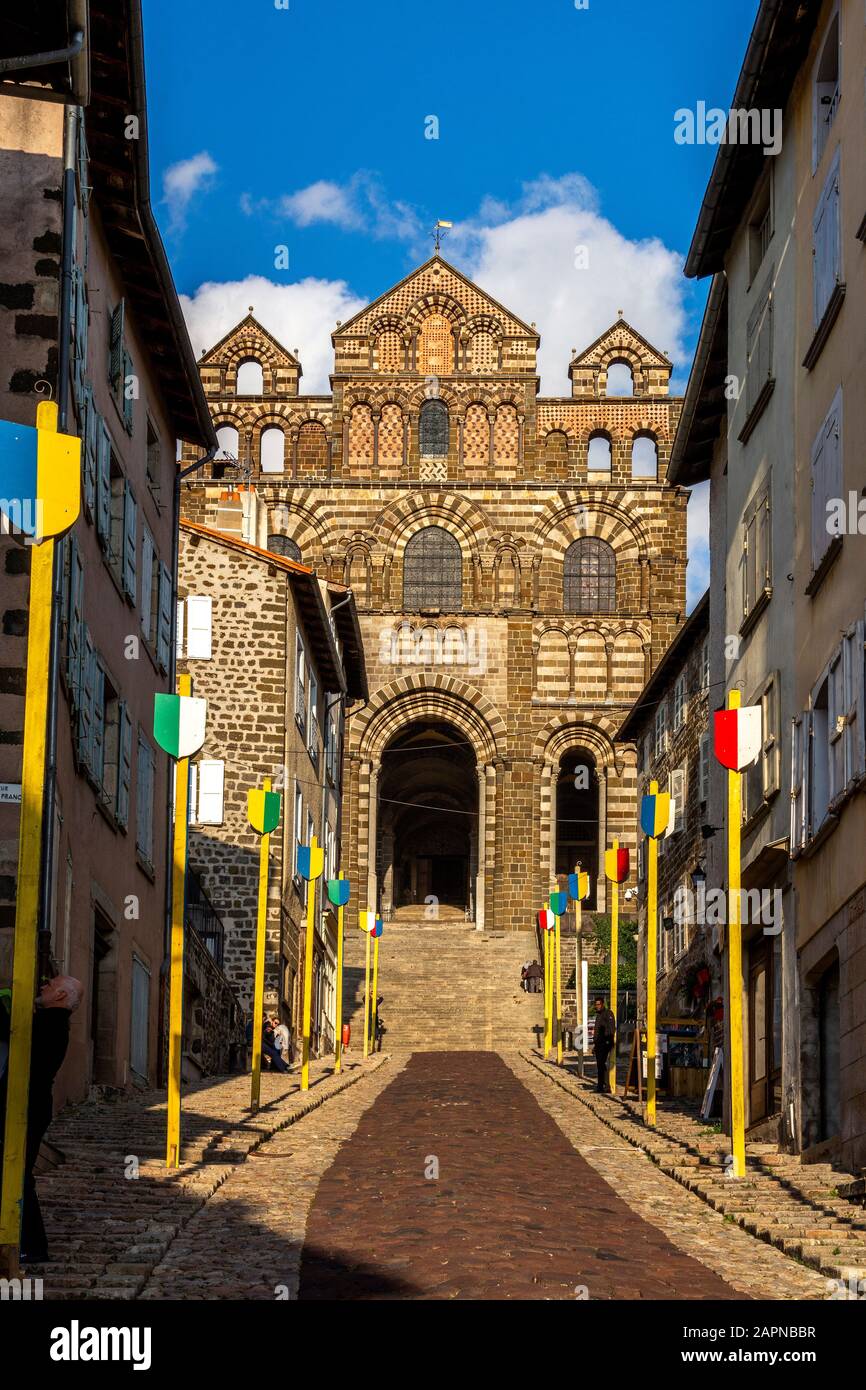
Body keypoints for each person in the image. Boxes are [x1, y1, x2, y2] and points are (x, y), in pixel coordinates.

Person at [0, 974, 83, 1263]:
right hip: (27, 1106)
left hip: (26, 1108)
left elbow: (13, 1032)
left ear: (60, 995)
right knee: (17, 1174)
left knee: (18, 1174)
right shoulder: (51, 1023)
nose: (42, 985)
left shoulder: (49, 1024)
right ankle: (29, 1245)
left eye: (49, 984)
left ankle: (30, 1246)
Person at [592, 994, 617, 1093]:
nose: (597, 1006)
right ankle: (602, 1085)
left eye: (599, 1004)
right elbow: (597, 1031)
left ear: (602, 1004)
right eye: (596, 1004)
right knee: (600, 1065)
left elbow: (611, 1029)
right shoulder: (598, 1015)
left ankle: (603, 1086)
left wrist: (608, 1041)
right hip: (599, 1044)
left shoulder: (608, 1013)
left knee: (601, 1064)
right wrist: (595, 1044)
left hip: (605, 1043)